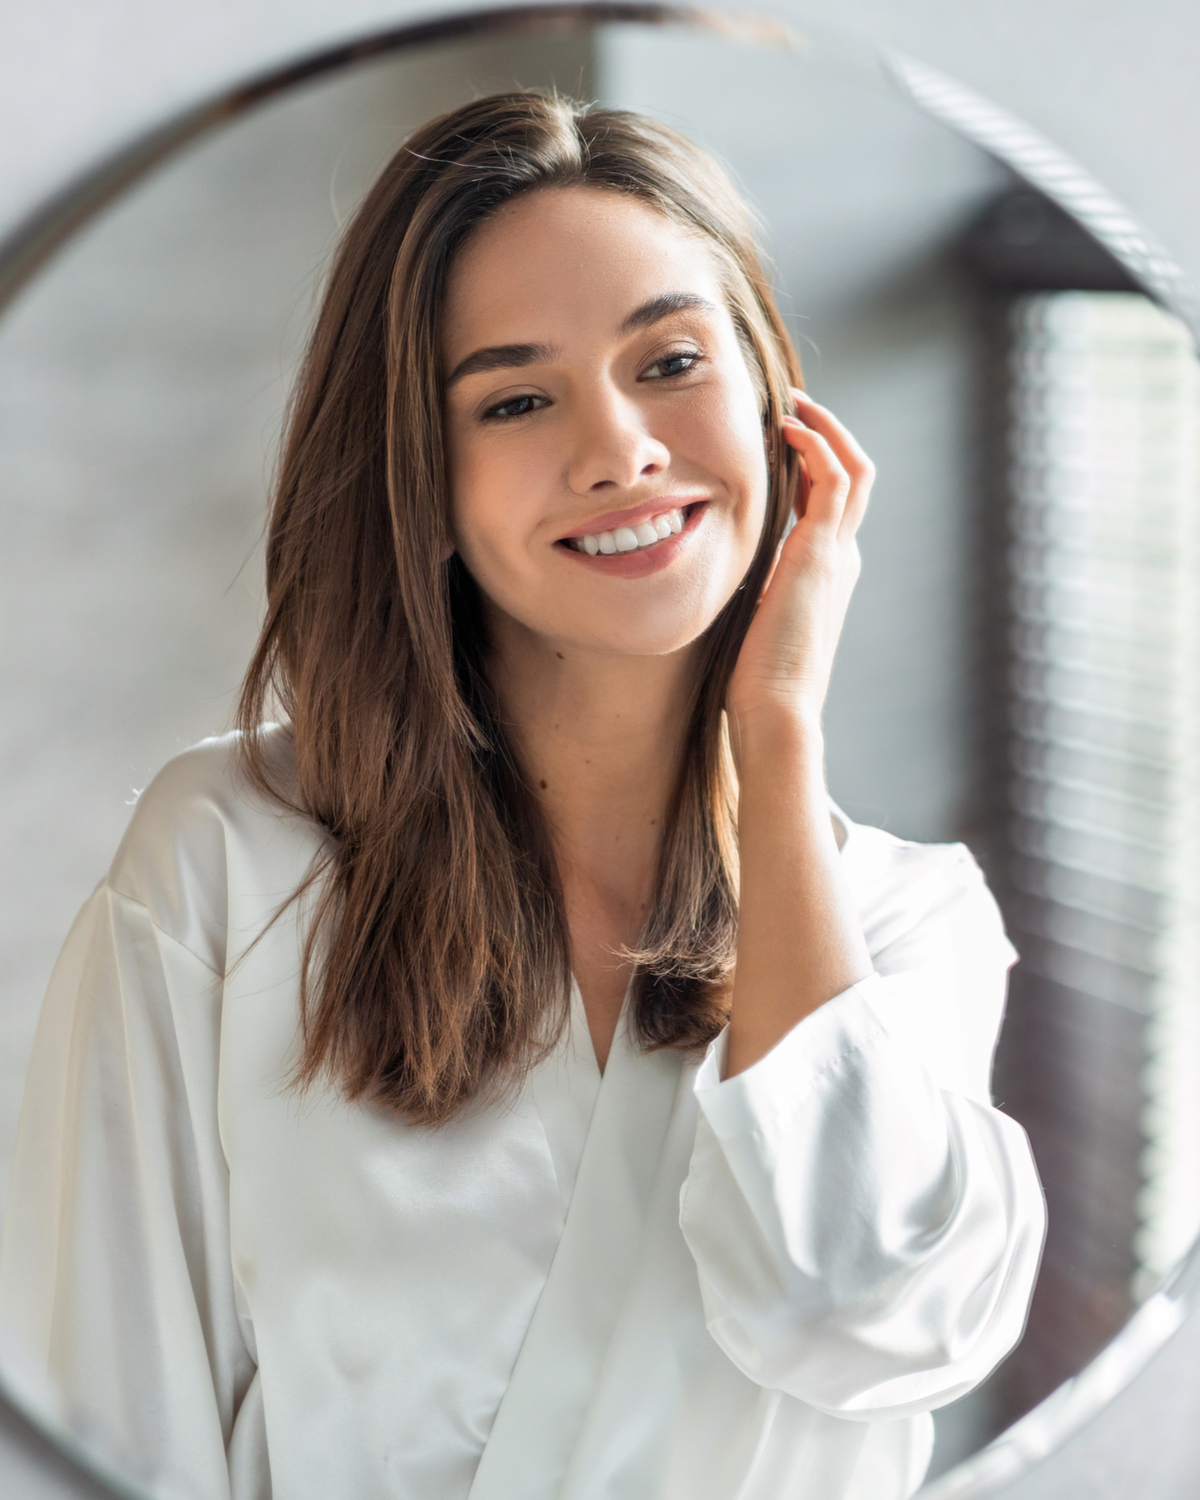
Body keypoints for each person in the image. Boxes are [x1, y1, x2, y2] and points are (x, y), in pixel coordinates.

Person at [0, 92, 1045, 1500]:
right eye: (515, 398)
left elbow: (854, 1312)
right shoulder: (230, 861)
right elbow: (99, 1415)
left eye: (671, 359)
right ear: (420, 482)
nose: (619, 449)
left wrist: (777, 734)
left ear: (777, 405)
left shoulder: (911, 927)